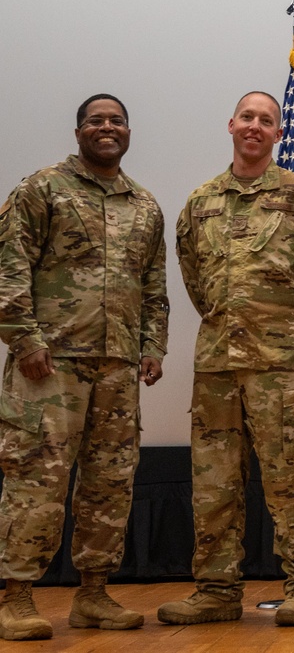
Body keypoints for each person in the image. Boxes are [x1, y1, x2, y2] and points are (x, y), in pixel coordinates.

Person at [0, 94, 168, 641]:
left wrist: (152, 345)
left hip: (117, 365)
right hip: (50, 368)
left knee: (109, 484)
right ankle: (18, 597)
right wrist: (24, 339)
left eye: (116, 120)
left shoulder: (144, 205)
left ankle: (92, 595)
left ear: (127, 131)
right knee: (37, 480)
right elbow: (9, 265)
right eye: (96, 120)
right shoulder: (41, 188)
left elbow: (153, 286)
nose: (107, 127)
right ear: (78, 131)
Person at [158, 91, 294, 628]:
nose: (255, 126)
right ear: (231, 124)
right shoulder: (200, 201)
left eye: (267, 120)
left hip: (279, 362)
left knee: (289, 480)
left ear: (280, 134)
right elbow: (194, 276)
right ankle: (215, 590)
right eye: (247, 117)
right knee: (213, 483)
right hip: (216, 365)